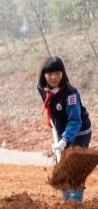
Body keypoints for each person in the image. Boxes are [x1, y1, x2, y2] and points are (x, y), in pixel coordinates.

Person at [37, 56, 92, 202]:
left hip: (79, 131)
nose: (54, 78)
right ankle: (65, 199)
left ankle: (75, 201)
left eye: (57, 73)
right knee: (62, 164)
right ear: (43, 75)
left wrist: (65, 139)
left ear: (63, 73)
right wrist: (51, 119)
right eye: (49, 74)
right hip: (62, 130)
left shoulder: (70, 94)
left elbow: (75, 120)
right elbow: (48, 103)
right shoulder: (42, 88)